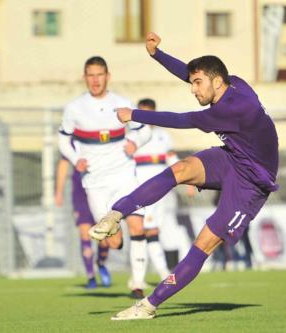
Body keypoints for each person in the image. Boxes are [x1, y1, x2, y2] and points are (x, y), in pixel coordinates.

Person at [89, 32, 279, 320]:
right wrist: (158, 55)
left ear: (216, 82)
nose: (193, 89)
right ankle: (116, 214)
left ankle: (148, 306)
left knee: (203, 243)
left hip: (252, 182)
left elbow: (180, 120)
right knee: (179, 169)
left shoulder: (230, 110)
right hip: (233, 157)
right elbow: (190, 72)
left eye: (197, 84)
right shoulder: (233, 82)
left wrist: (135, 114)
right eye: (193, 83)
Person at [58, 56, 152, 298]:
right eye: (91, 75)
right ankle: (114, 242)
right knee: (113, 241)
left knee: (137, 225)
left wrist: (134, 142)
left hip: (123, 175)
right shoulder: (74, 108)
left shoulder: (121, 103)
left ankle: (138, 285)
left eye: (100, 74)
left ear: (108, 76)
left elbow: (145, 131)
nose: (95, 80)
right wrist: (74, 157)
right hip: (95, 182)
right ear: (84, 78)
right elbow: (62, 140)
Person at [132, 98, 178, 281]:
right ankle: (160, 273)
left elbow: (171, 158)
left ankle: (141, 278)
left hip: (160, 189)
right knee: (145, 231)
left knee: (152, 230)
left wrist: (188, 182)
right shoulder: (133, 136)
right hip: (139, 188)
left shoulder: (163, 135)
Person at [55, 157, 109, 288]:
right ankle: (90, 276)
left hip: (100, 189)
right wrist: (59, 191)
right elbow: (63, 163)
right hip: (81, 193)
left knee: (105, 239)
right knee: (85, 234)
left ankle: (101, 263)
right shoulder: (71, 140)